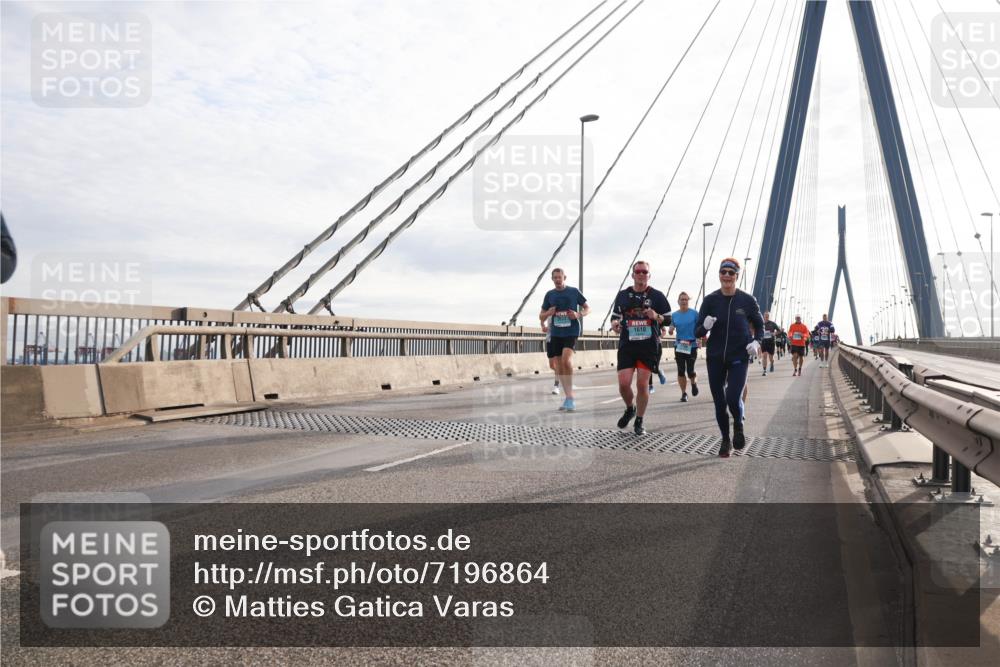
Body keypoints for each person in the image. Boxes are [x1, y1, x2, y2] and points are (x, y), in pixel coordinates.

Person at [696, 258, 764, 458]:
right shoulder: (710, 300)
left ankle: (739, 424)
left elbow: (760, 326)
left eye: (731, 273)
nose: (726, 276)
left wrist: (757, 342)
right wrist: (705, 327)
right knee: (719, 402)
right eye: (723, 272)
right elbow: (697, 331)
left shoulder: (747, 300)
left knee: (733, 397)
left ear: (737, 276)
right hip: (715, 357)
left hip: (738, 356)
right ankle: (725, 439)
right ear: (719, 274)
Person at [611, 260, 671, 435]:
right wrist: (615, 324)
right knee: (623, 384)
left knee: (642, 384)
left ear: (649, 275)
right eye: (638, 271)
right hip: (627, 345)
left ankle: (639, 420)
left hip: (648, 346)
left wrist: (656, 316)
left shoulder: (658, 296)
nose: (641, 274)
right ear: (633, 275)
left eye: (645, 272)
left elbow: (668, 319)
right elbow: (615, 316)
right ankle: (630, 408)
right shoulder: (622, 295)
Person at [539, 268, 589, 411]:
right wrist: (548, 313)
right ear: (552, 279)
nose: (557, 280)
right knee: (559, 365)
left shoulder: (573, 292)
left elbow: (588, 308)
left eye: (559, 277)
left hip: (571, 331)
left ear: (564, 277)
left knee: (566, 361)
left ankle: (570, 395)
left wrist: (578, 314)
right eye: (554, 278)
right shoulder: (549, 295)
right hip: (555, 333)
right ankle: (568, 397)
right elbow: (541, 316)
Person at [668, 291, 700, 402]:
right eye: (682, 299)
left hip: (692, 344)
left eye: (686, 299)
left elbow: (700, 328)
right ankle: (684, 393)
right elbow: (671, 326)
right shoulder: (675, 315)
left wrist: (699, 339)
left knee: (690, 370)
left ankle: (694, 383)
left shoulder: (695, 313)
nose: (684, 301)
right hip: (680, 344)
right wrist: (671, 330)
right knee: (681, 370)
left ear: (688, 301)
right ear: (678, 301)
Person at [542, 317, 560, 395]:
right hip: (549, 339)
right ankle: (560, 373)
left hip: (559, 338)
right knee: (552, 365)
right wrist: (543, 326)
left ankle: (556, 386)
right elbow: (542, 318)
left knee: (557, 364)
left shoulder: (562, 309)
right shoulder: (548, 308)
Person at [760, 311, 780, 375]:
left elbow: (779, 331)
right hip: (764, 342)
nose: (766, 317)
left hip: (771, 342)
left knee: (771, 357)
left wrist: (774, 333)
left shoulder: (773, 323)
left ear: (769, 316)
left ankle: (772, 364)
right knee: (764, 355)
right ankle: (764, 370)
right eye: (765, 316)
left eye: (767, 316)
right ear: (763, 316)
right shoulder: (761, 323)